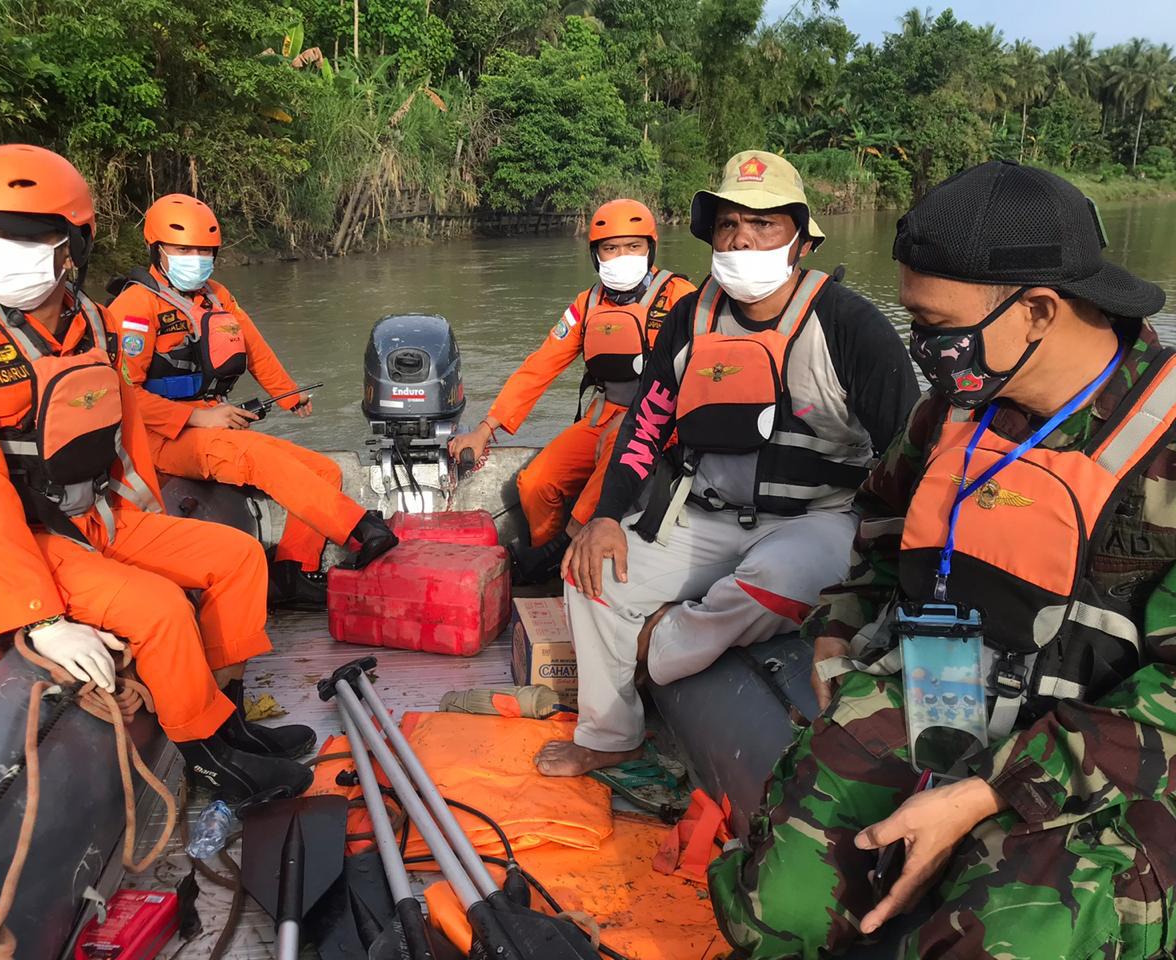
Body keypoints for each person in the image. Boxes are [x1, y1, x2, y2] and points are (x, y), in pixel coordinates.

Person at [708, 161, 1176, 958]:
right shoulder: (954, 409)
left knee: (986, 942)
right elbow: (884, 530)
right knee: (775, 909)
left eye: (936, 327)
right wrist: (837, 629)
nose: (922, 350)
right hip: (945, 698)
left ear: (1036, 310)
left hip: (1113, 760)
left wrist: (988, 793)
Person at [0, 145, 317, 802]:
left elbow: (118, 433)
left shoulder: (88, 319)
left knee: (236, 557)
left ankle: (224, 715)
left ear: (72, 246)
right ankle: (208, 759)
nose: (3, 250)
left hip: (87, 516)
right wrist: (38, 616)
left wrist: (142, 518)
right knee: (157, 607)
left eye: (28, 235)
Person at [542, 151, 918, 777]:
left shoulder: (850, 324)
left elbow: (909, 453)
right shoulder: (691, 317)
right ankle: (610, 735)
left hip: (817, 518)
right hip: (707, 511)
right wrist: (606, 515)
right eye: (727, 224)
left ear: (799, 239)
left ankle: (652, 647)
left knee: (776, 579)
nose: (742, 238)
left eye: (764, 224)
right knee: (591, 571)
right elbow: (646, 426)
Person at [105, 194, 395, 605]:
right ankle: (363, 528)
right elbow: (120, 395)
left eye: (204, 250)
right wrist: (196, 420)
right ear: (158, 250)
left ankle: (292, 572)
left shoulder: (218, 296)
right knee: (258, 459)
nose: (196, 258)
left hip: (212, 418)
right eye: (184, 249)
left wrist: (287, 395)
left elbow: (254, 349)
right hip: (158, 436)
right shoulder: (135, 306)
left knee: (324, 469)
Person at [448, 199, 695, 583]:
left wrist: (635, 425)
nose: (622, 256)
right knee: (535, 482)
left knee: (618, 452)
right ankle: (553, 566)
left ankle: (561, 550)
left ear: (651, 248)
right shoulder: (587, 305)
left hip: (661, 424)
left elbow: (701, 377)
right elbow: (540, 366)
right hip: (605, 415)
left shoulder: (680, 297)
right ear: (596, 255)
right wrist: (486, 428)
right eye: (610, 248)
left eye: (633, 246)